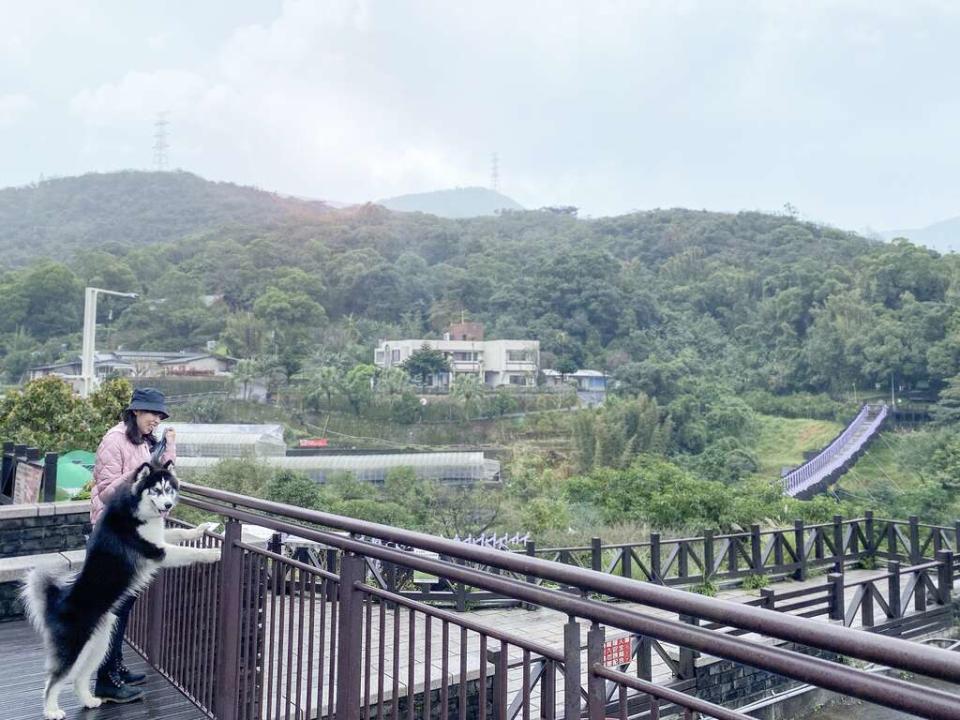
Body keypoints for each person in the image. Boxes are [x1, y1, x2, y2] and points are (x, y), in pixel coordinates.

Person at [89, 387, 176, 703]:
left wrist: (169, 450)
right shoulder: (115, 440)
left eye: (160, 415)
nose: (156, 419)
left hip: (131, 535)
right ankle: (105, 680)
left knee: (123, 607)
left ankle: (115, 667)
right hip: (115, 537)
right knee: (114, 609)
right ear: (135, 411)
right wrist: (140, 480)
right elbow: (106, 491)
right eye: (152, 413)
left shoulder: (140, 442)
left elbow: (158, 479)